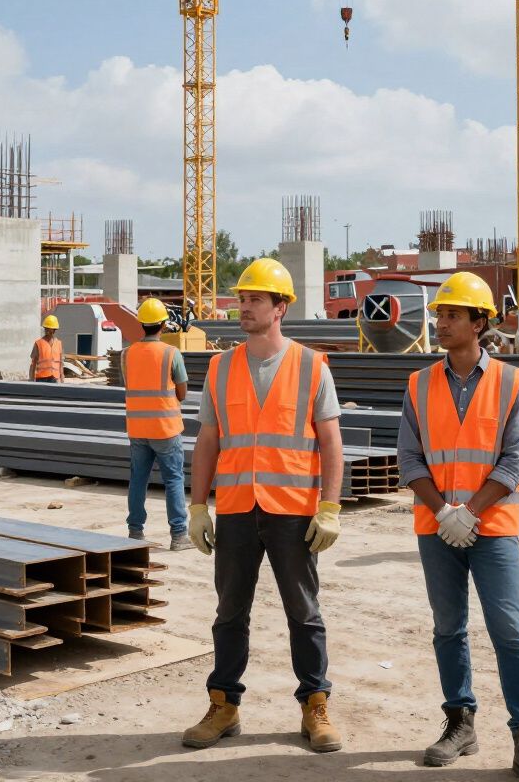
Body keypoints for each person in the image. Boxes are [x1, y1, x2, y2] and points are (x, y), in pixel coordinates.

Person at [181, 258, 346, 754]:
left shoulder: (311, 366)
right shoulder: (220, 367)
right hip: (235, 507)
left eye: (255, 299)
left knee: (304, 612)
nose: (244, 307)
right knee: (229, 613)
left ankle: (315, 704)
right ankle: (223, 705)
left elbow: (331, 443)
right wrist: (197, 507)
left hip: (292, 510)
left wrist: (330, 507)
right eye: (241, 299)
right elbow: (208, 441)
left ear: (280, 308)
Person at [398, 272, 519, 781]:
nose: (441, 323)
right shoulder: (419, 384)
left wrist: (469, 512)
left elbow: (515, 460)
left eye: (452, 315)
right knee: (448, 628)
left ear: (479, 322)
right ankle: (459, 723)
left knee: (510, 631)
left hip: (493, 527)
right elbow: (409, 458)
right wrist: (444, 512)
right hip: (437, 527)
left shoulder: (511, 382)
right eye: (439, 315)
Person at [120, 298, 190, 550]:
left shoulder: (127, 354)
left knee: (138, 479)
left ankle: (135, 531)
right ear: (163, 325)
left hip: (138, 429)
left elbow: (131, 386)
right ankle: (179, 536)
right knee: (173, 479)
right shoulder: (171, 353)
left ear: (142, 324)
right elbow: (182, 392)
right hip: (165, 428)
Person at [29, 314, 63, 383]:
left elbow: (60, 363)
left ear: (54, 330)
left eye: (49, 328)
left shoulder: (58, 343)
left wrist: (62, 378)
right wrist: (32, 379)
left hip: (55, 378)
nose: (47, 330)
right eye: (46, 328)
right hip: (41, 378)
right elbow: (33, 363)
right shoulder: (38, 343)